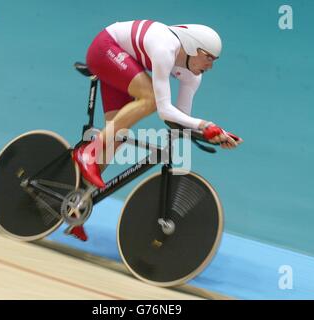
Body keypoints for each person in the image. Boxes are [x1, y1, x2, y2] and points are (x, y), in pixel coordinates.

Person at [67, 20, 243, 241]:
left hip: (124, 60)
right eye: (208, 58)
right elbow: (164, 110)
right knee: (150, 99)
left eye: (214, 61)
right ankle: (88, 153)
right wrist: (204, 125)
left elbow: (179, 121)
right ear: (193, 48)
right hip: (106, 49)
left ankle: (76, 207)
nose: (211, 66)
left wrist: (216, 135)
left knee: (117, 138)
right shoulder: (165, 48)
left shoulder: (193, 76)